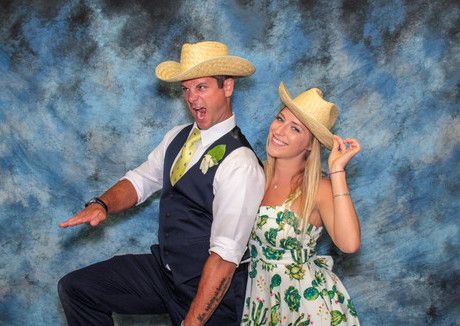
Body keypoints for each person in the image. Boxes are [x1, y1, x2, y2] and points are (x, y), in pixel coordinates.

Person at [57, 41, 265, 326]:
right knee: (78, 288)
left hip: (211, 294)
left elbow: (224, 261)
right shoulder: (177, 136)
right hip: (166, 274)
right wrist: (102, 204)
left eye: (201, 87)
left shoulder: (241, 163)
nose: (191, 98)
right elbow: (141, 179)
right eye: (186, 89)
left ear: (227, 87)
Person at [241, 82, 361, 325]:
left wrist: (337, 171)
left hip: (306, 308)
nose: (279, 130)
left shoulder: (319, 188)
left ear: (309, 144)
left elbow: (349, 244)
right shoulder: (255, 176)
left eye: (295, 129)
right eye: (280, 119)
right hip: (261, 301)